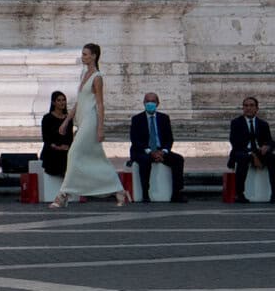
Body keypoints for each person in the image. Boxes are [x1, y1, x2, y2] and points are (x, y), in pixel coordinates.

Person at [53, 43, 128, 208]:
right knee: (97, 158)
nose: (83, 57)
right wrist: (66, 121)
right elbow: (79, 101)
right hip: (82, 119)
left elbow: (100, 104)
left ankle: (63, 194)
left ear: (94, 56)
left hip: (91, 120)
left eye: (86, 54)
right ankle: (119, 190)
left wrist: (101, 127)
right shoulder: (84, 74)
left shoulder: (97, 77)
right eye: (82, 54)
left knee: (73, 153)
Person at [129, 91, 185, 203]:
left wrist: (163, 151)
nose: (150, 104)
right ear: (144, 103)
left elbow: (169, 138)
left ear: (158, 103)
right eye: (148, 101)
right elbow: (135, 140)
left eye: (153, 101)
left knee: (178, 159)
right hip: (143, 150)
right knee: (145, 161)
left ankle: (176, 193)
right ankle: (145, 193)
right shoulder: (137, 119)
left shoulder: (164, 118)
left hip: (160, 150)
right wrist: (150, 152)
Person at [227, 96, 275, 203]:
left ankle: (274, 194)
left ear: (257, 109)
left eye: (251, 105)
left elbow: (270, 141)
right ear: (243, 108)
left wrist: (267, 146)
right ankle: (240, 194)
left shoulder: (263, 124)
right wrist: (253, 154)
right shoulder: (236, 123)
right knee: (243, 158)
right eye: (246, 106)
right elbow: (235, 143)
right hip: (242, 151)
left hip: (259, 152)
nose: (248, 108)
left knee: (273, 158)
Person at [39, 91, 71, 181]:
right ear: (53, 102)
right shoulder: (47, 118)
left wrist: (66, 146)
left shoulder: (67, 118)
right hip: (52, 150)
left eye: (63, 100)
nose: (62, 102)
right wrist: (56, 147)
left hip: (65, 150)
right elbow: (46, 138)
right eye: (59, 100)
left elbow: (69, 137)